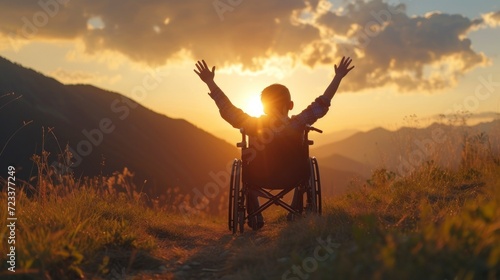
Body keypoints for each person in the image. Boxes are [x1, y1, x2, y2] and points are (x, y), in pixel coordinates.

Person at [194, 57, 354, 230]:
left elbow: (228, 110)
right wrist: (338, 77)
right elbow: (322, 104)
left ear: (263, 107)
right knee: (303, 171)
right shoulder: (298, 124)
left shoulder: (253, 125)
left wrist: (210, 82)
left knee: (247, 169)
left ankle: (255, 212)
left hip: (257, 176)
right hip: (293, 176)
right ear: (290, 105)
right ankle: (295, 211)